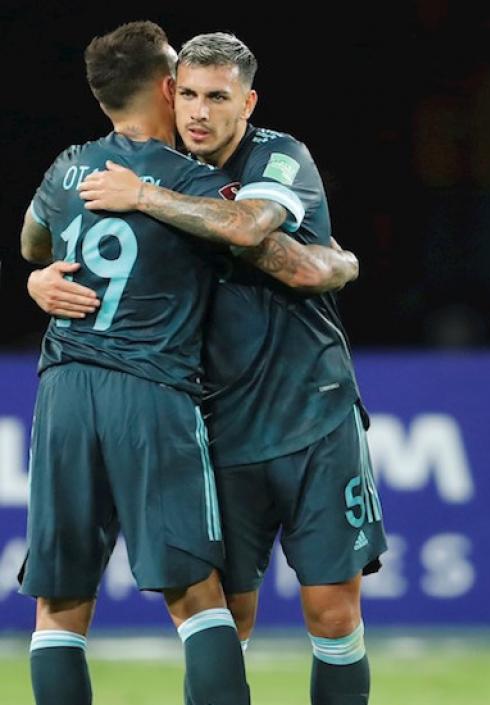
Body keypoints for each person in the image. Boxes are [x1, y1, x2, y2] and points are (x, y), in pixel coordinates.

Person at [74, 32, 384, 705]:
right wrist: (41, 280)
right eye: (187, 93)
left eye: (217, 97)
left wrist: (150, 201)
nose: (199, 111)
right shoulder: (154, 167)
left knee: (333, 611)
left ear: (248, 103)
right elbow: (70, 245)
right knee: (225, 620)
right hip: (212, 430)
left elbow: (250, 229)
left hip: (314, 414)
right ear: (170, 94)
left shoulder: (277, 155)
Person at [16, 20, 251, 705]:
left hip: (63, 392)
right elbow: (251, 240)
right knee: (197, 595)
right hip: (151, 392)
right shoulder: (191, 181)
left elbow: (32, 242)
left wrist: (38, 278)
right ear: (168, 87)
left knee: (60, 603)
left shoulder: (67, 167)